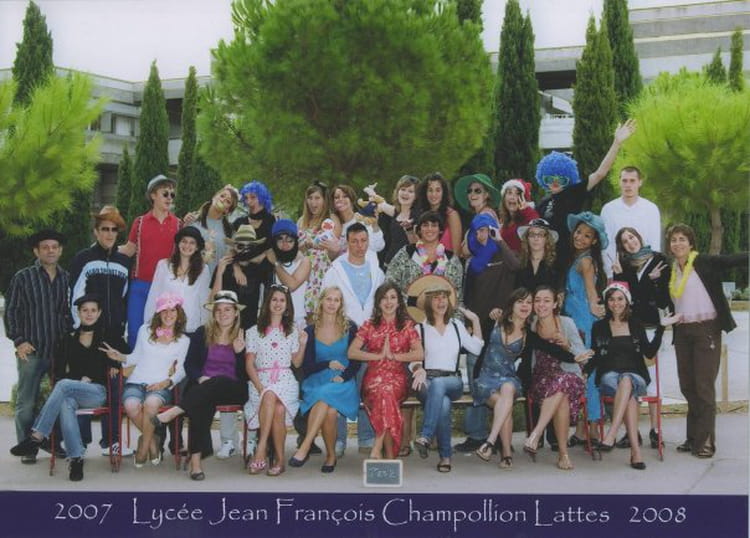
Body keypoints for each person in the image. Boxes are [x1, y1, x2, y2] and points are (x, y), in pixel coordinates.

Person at [10, 294, 127, 481]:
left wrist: (115, 363)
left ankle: (37, 436)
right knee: (65, 402)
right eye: (85, 310)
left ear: (99, 313)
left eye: (93, 310)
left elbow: (127, 357)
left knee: (64, 386)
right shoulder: (68, 338)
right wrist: (78, 380)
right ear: (78, 313)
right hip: (73, 390)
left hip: (98, 392)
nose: (89, 314)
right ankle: (76, 459)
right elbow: (59, 372)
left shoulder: (108, 335)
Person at [385, 210, 464, 455]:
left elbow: (457, 295)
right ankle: (405, 439)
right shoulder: (406, 254)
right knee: (409, 382)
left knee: (434, 382)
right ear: (418, 229)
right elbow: (389, 284)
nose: (429, 229)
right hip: (408, 327)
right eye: (425, 225)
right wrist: (409, 306)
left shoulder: (451, 259)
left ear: (440, 230)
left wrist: (454, 329)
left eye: (434, 225)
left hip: (439, 329)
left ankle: (437, 436)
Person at [666, 224, 748, 458]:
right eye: (674, 240)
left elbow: (732, 260)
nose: (678, 243)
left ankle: (706, 441)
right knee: (688, 386)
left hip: (706, 329)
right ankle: (693, 437)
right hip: (682, 331)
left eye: (682, 239)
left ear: (691, 243)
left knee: (703, 386)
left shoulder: (703, 262)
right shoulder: (672, 269)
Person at [152, 290, 249, 480]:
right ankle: (196, 464)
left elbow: (245, 374)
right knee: (200, 404)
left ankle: (176, 411)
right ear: (213, 313)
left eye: (227, 309)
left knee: (217, 382)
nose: (222, 313)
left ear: (236, 312)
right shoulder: (202, 333)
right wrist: (199, 378)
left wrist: (239, 353)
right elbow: (190, 364)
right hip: (202, 387)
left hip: (233, 388)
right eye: (218, 310)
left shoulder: (244, 335)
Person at [69, 206, 132, 458]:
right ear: (96, 231)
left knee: (114, 386)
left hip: (114, 338)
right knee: (83, 384)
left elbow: (125, 298)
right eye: (104, 229)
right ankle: (81, 442)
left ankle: (112, 441)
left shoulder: (124, 261)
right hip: (88, 336)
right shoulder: (82, 258)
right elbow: (74, 295)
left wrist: (122, 331)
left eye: (114, 229)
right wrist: (80, 331)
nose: (109, 233)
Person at [5, 229, 71, 464]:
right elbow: (11, 310)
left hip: (59, 351)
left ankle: (54, 442)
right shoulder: (23, 277)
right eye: (45, 247)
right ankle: (27, 448)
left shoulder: (66, 278)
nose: (50, 251)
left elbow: (69, 313)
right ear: (37, 251)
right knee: (26, 403)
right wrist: (19, 340)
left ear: (60, 250)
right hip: (31, 351)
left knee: (60, 400)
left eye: (54, 247)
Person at [455, 213, 519, 454]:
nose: (483, 235)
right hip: (478, 328)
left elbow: (516, 267)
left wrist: (500, 240)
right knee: (476, 380)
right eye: (479, 231)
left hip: (501, 328)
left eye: (487, 230)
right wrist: (469, 323)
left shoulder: (503, 255)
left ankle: (502, 436)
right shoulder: (472, 262)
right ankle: (477, 434)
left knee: (499, 380)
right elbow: (468, 295)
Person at [584, 282, 667, 470]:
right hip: (609, 377)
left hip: (636, 376)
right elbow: (595, 355)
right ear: (607, 302)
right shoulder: (599, 326)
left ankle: (612, 433)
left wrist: (661, 328)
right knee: (627, 390)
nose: (616, 303)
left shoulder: (636, 324)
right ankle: (635, 453)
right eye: (611, 299)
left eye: (620, 299)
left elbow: (649, 352)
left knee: (627, 380)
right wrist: (585, 371)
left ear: (627, 301)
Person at [101, 292, 190, 467]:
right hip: (137, 381)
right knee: (130, 405)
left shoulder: (184, 340)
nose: (168, 314)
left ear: (179, 314)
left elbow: (181, 370)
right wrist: (119, 356)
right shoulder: (145, 330)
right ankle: (153, 441)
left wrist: (167, 382)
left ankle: (143, 449)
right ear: (158, 313)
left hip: (161, 384)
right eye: (164, 310)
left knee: (151, 404)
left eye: (173, 310)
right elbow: (135, 357)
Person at [535, 120, 635, 271]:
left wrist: (617, 143)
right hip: (545, 261)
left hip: (568, 260)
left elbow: (600, 174)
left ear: (568, 178)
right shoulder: (543, 203)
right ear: (543, 178)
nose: (555, 183)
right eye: (549, 179)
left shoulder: (574, 193)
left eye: (561, 179)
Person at [322, 222, 385, 455]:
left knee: (367, 385)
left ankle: (366, 436)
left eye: (363, 241)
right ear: (346, 243)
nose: (359, 246)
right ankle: (339, 439)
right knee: (341, 384)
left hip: (369, 340)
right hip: (341, 338)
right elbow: (326, 305)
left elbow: (383, 307)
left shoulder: (376, 270)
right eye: (354, 241)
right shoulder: (335, 270)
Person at [409, 280, 483, 472]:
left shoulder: (457, 326)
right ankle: (445, 457)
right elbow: (413, 359)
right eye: (436, 298)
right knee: (443, 404)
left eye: (444, 297)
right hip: (426, 381)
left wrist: (475, 321)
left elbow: (476, 348)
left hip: (452, 381)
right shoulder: (420, 329)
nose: (441, 301)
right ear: (428, 302)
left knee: (440, 384)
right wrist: (418, 368)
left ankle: (426, 435)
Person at [612, 226, 673, 449]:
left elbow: (663, 297)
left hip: (651, 327)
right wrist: (619, 276)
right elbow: (623, 298)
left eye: (632, 237)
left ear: (639, 237)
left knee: (654, 378)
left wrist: (653, 281)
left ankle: (656, 430)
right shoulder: (625, 265)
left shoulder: (659, 260)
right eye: (625, 241)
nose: (630, 242)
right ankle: (632, 431)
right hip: (630, 328)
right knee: (632, 378)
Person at [348, 282, 423, 459]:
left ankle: (378, 447)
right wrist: (378, 356)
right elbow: (352, 352)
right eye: (384, 298)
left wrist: (395, 357)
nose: (388, 302)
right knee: (385, 394)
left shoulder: (407, 326)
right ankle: (389, 455)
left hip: (398, 377)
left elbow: (419, 353)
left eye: (392, 297)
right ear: (378, 302)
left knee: (387, 393)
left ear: (399, 302)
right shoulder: (369, 325)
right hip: (373, 377)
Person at [289, 286, 360, 473]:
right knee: (329, 411)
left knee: (325, 395)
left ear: (341, 304)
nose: (332, 303)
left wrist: (343, 377)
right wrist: (327, 363)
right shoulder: (310, 330)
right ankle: (330, 456)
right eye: (329, 299)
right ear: (321, 301)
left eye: (336, 300)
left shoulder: (350, 327)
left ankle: (305, 446)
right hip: (317, 380)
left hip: (342, 381)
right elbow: (307, 367)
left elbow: (356, 362)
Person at [524, 286, 593, 470]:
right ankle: (563, 455)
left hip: (569, 375)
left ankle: (536, 433)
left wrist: (567, 345)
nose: (541, 305)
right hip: (542, 378)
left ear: (555, 304)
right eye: (537, 300)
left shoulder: (566, 323)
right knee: (561, 396)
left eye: (547, 301)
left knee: (562, 383)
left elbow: (583, 357)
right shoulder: (530, 324)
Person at [245, 285, 307, 476]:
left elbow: (296, 363)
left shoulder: (292, 331)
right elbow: (249, 364)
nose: (278, 304)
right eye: (274, 299)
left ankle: (261, 449)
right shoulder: (254, 331)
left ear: (287, 305)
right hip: (260, 379)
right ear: (267, 303)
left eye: (282, 300)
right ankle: (279, 459)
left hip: (285, 380)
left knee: (272, 395)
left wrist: (303, 344)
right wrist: (259, 386)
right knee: (275, 404)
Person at [119, 174, 181, 350]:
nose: (169, 198)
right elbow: (129, 249)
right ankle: (133, 365)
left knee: (163, 332)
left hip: (165, 288)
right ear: (153, 195)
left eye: (172, 194)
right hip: (140, 285)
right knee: (134, 330)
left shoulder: (178, 224)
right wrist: (104, 248)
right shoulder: (139, 222)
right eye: (165, 194)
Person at [563, 211, 608, 443]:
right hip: (574, 317)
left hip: (582, 321)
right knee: (582, 372)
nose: (580, 237)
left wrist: (595, 306)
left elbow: (591, 292)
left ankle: (592, 428)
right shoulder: (578, 258)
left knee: (587, 373)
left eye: (587, 235)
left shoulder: (586, 261)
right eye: (578, 232)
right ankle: (582, 429)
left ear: (594, 240)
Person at [144, 226, 211, 335]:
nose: (187, 246)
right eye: (184, 241)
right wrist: (149, 324)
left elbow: (204, 300)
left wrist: (205, 329)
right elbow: (154, 295)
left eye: (192, 243)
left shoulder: (203, 270)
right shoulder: (163, 265)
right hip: (166, 326)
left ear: (197, 247)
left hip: (191, 327)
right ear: (178, 243)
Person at [600, 166, 661, 277]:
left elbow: (654, 243)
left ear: (640, 182)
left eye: (632, 181)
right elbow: (606, 245)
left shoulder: (651, 209)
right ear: (619, 182)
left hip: (645, 270)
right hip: (618, 270)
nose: (628, 185)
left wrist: (651, 270)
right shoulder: (608, 209)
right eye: (624, 181)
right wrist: (610, 273)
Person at [297, 181, 341, 317]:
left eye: (317, 198)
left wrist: (315, 244)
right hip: (302, 274)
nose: (313, 202)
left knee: (320, 314)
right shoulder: (301, 221)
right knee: (303, 316)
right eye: (310, 198)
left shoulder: (331, 219)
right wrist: (304, 246)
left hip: (321, 274)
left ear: (324, 200)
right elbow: (294, 250)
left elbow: (334, 249)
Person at [265, 219, 311, 328]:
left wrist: (276, 264)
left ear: (295, 241)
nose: (285, 244)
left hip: (296, 320)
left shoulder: (304, 261)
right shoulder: (269, 257)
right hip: (271, 320)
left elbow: (291, 286)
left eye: (289, 240)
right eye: (280, 239)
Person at [184, 185, 240, 273]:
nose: (223, 200)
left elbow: (229, 259)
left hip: (212, 279)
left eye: (228, 201)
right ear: (214, 197)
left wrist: (236, 268)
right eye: (222, 196)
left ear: (227, 211)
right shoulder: (193, 219)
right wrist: (184, 225)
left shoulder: (229, 232)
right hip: (188, 275)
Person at [375, 175, 420, 269]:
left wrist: (409, 229)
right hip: (388, 265)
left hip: (408, 267)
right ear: (398, 191)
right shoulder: (395, 212)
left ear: (416, 196)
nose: (405, 193)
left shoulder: (418, 217)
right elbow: (381, 204)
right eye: (403, 189)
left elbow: (419, 246)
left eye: (410, 191)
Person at [416, 172, 462, 254]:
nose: (434, 194)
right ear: (425, 192)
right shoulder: (421, 215)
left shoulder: (451, 215)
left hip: (448, 261)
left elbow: (457, 252)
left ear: (443, 192)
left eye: (438, 190)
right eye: (430, 190)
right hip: (425, 261)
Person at [454, 173, 500, 256]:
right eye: (469, 191)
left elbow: (478, 246)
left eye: (477, 191)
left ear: (486, 195)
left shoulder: (485, 216)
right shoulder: (483, 214)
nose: (472, 194)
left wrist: (465, 249)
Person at [331, 184, 385, 254]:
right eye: (336, 197)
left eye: (345, 196)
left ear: (352, 199)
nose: (341, 199)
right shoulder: (331, 224)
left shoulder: (363, 219)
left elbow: (378, 247)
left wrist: (375, 225)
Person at [515, 218, 561, 294]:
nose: (536, 238)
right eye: (532, 234)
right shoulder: (521, 263)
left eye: (540, 234)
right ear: (527, 238)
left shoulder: (557, 264)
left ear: (547, 239)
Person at [232, 180, 276, 252]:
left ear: (262, 198)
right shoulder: (239, 222)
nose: (248, 202)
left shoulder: (272, 221)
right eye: (246, 198)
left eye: (253, 197)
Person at [497, 179, 539, 253]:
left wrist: (526, 209)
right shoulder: (504, 220)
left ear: (523, 199)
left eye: (517, 194)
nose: (512, 197)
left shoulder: (528, 216)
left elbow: (537, 226)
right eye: (509, 193)